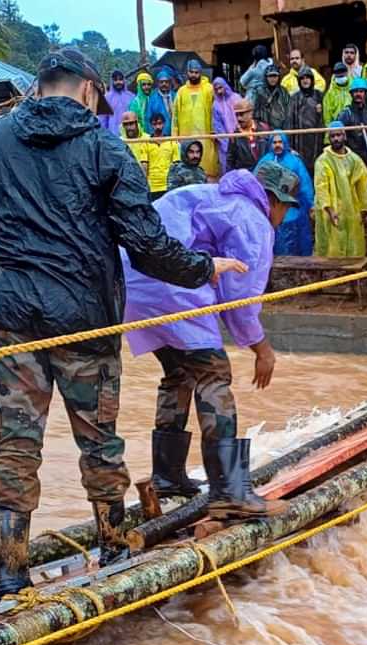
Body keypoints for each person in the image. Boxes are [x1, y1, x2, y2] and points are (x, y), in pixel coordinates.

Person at [0, 46, 247, 594]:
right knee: (99, 440)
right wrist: (206, 267)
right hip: (81, 317)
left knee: (15, 442)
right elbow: (149, 245)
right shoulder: (105, 148)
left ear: (38, 86)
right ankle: (114, 550)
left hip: (7, 312)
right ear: (88, 89)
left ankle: (9, 574)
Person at [123, 164, 296, 520]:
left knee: (179, 373)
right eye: (286, 207)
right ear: (274, 200)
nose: (284, 215)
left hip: (132, 282)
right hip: (172, 282)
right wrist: (262, 349)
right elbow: (240, 299)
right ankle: (230, 491)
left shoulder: (212, 195)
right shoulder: (254, 220)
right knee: (212, 374)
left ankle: (168, 477)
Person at [314, 122, 367, 257]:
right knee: (331, 249)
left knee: (354, 249)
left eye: (339, 135)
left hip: (352, 211)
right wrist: (329, 209)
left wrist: (364, 209)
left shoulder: (355, 160)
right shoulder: (323, 161)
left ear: (344, 136)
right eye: (332, 136)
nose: (336, 139)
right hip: (331, 212)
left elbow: (362, 185)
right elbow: (321, 187)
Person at [257, 132, 314, 256]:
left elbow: (305, 185)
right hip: (271, 208)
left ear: (285, 143)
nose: (277, 145)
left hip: (292, 206)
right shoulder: (265, 161)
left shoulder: (295, 161)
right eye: (275, 142)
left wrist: (311, 204)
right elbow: (256, 184)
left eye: (280, 142)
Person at [174, 59, 219, 180]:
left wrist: (216, 130)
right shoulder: (181, 92)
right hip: (186, 136)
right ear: (187, 73)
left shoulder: (209, 89)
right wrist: (175, 135)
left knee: (208, 170)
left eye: (196, 72)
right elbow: (175, 116)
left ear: (200, 73)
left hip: (206, 135)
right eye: (191, 72)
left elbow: (216, 112)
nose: (194, 75)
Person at [336, 77, 367, 168]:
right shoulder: (346, 113)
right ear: (351, 94)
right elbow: (337, 134)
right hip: (351, 158)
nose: (358, 94)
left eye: (361, 91)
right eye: (355, 91)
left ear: (365, 94)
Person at [287, 66, 325, 164]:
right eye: (302, 78)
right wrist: (290, 145)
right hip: (300, 140)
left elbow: (324, 118)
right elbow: (290, 121)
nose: (305, 80)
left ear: (312, 79)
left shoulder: (319, 95)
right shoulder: (294, 98)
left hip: (317, 139)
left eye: (307, 77)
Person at [142, 112, 180, 200]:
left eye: (160, 123)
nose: (157, 127)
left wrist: (174, 184)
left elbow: (176, 165)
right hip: (152, 186)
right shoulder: (146, 143)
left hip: (168, 185)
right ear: (151, 125)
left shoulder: (172, 142)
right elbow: (144, 167)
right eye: (154, 124)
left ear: (164, 124)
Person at [211, 77, 242, 173]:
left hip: (240, 138)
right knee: (227, 168)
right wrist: (225, 143)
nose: (219, 91)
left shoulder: (236, 98)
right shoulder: (216, 104)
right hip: (225, 143)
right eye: (216, 89)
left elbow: (243, 116)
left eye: (221, 87)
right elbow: (217, 125)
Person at [248, 64, 290, 130]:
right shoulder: (260, 92)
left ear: (279, 77)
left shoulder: (284, 91)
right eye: (270, 76)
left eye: (275, 76)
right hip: (265, 130)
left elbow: (289, 110)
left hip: (282, 130)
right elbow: (255, 114)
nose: (273, 79)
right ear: (266, 77)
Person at [101, 70, 136, 135]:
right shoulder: (106, 98)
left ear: (124, 81)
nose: (118, 82)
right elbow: (102, 118)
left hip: (130, 134)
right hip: (113, 134)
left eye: (120, 79)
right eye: (115, 80)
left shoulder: (131, 96)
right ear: (112, 82)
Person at [123, 110, 151, 174]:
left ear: (137, 123)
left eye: (131, 123)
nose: (129, 127)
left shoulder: (148, 139)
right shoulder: (121, 142)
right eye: (126, 124)